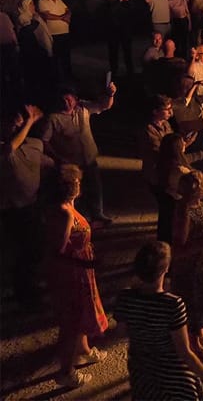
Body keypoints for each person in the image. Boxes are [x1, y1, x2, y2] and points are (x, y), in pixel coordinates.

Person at [115, 241, 203, 400]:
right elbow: (184, 352)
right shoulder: (172, 304)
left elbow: (121, 332)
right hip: (173, 376)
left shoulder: (124, 298)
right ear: (166, 269)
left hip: (142, 372)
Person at [45, 165, 108, 389]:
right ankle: (66, 372)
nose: (79, 184)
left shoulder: (71, 207)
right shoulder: (63, 212)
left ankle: (83, 350)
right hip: (70, 275)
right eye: (75, 182)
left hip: (80, 270)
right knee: (70, 323)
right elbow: (57, 252)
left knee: (82, 313)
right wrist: (85, 262)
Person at [42, 83, 117, 225]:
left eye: (69, 99)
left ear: (75, 99)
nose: (66, 102)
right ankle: (78, 220)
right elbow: (44, 141)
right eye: (63, 99)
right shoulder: (53, 118)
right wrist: (57, 158)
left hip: (89, 158)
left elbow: (104, 106)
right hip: (71, 163)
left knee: (95, 187)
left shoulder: (83, 108)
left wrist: (110, 94)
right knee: (75, 193)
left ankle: (98, 214)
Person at [1, 105, 51, 308]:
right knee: (23, 253)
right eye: (11, 121)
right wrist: (30, 121)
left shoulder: (34, 144)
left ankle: (29, 288)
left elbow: (45, 163)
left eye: (19, 120)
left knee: (35, 250)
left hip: (32, 204)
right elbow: (10, 149)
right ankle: (26, 297)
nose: (15, 124)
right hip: (12, 208)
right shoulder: (4, 146)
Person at [170, 171, 203, 359]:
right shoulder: (183, 211)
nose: (195, 189)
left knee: (202, 303)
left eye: (197, 184)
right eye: (190, 186)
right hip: (190, 268)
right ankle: (194, 347)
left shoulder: (199, 204)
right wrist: (201, 244)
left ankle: (199, 334)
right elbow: (178, 248)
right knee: (193, 305)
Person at [38, 0, 73, 80]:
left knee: (66, 56)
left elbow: (68, 10)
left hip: (65, 32)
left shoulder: (59, 0)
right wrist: (62, 18)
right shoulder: (42, 1)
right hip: (54, 33)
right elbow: (46, 15)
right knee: (56, 56)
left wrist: (67, 15)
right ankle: (56, 77)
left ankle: (68, 76)